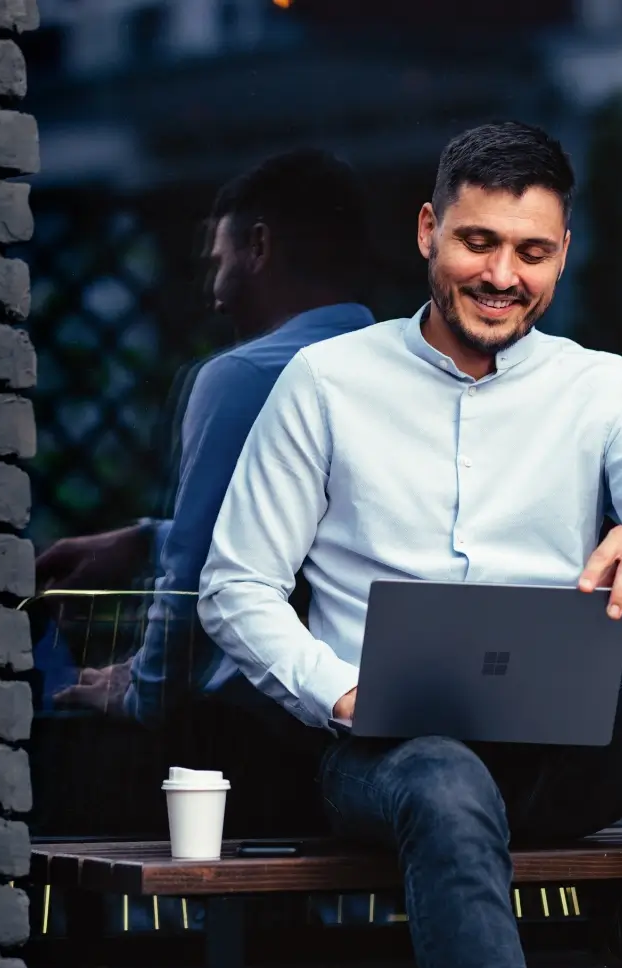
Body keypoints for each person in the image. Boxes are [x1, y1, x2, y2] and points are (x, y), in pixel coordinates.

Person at [197, 122, 622, 968]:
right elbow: (237, 589)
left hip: (569, 750)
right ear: (429, 229)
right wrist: (344, 692)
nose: (504, 276)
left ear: (563, 255)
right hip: (391, 757)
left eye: (532, 252)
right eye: (479, 242)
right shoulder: (322, 382)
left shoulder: (602, 386)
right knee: (444, 779)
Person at [44, 148, 375, 729]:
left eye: (220, 261)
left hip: (269, 731)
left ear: (260, 247)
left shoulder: (245, 375)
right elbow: (324, 545)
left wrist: (139, 699)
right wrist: (146, 540)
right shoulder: (411, 371)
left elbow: (198, 580)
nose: (215, 294)